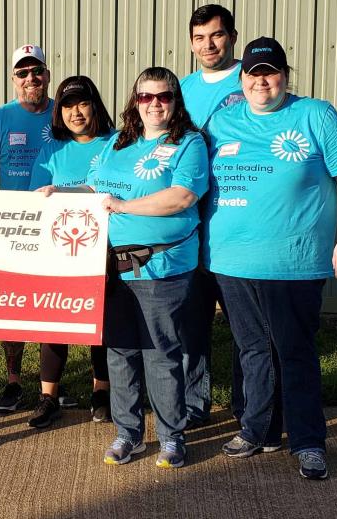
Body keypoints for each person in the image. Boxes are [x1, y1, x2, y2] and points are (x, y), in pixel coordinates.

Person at [204, 37, 337, 480]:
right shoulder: (222, 121)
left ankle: (308, 441)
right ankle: (259, 430)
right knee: (251, 349)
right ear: (242, 78)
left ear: (284, 75)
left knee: (294, 350)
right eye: (253, 73)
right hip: (231, 261)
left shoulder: (315, 114)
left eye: (270, 72)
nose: (261, 81)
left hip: (294, 259)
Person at [89, 67, 209, 469]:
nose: (154, 104)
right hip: (112, 267)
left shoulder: (189, 143)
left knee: (160, 352)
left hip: (161, 265)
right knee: (120, 351)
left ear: (175, 101)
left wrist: (124, 207)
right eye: (146, 97)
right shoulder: (117, 144)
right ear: (134, 102)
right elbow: (94, 190)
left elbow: (182, 196)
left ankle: (172, 436)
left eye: (163, 97)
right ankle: (128, 433)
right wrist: (58, 192)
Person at [0, 43, 71, 412]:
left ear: (47, 74)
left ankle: (52, 386)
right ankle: (14, 381)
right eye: (22, 72)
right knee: (12, 309)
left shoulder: (63, 114)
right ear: (13, 79)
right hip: (13, 227)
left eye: (37, 71)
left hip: (57, 225)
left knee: (54, 306)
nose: (31, 78)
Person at [28, 76, 115, 427]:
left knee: (101, 323)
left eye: (82, 103)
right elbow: (37, 192)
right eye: (67, 105)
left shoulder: (116, 143)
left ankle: (101, 392)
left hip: (105, 246)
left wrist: (67, 191)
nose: (75, 112)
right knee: (55, 322)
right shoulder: (52, 149)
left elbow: (108, 187)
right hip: (59, 248)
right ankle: (48, 397)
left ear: (94, 104)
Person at [178, 4, 245, 428]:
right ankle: (192, 407)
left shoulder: (252, 79)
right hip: (188, 230)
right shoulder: (180, 88)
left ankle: (248, 407)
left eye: (217, 35)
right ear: (190, 42)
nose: (209, 45)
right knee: (190, 328)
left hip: (236, 227)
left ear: (233, 37)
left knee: (246, 330)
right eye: (200, 38)